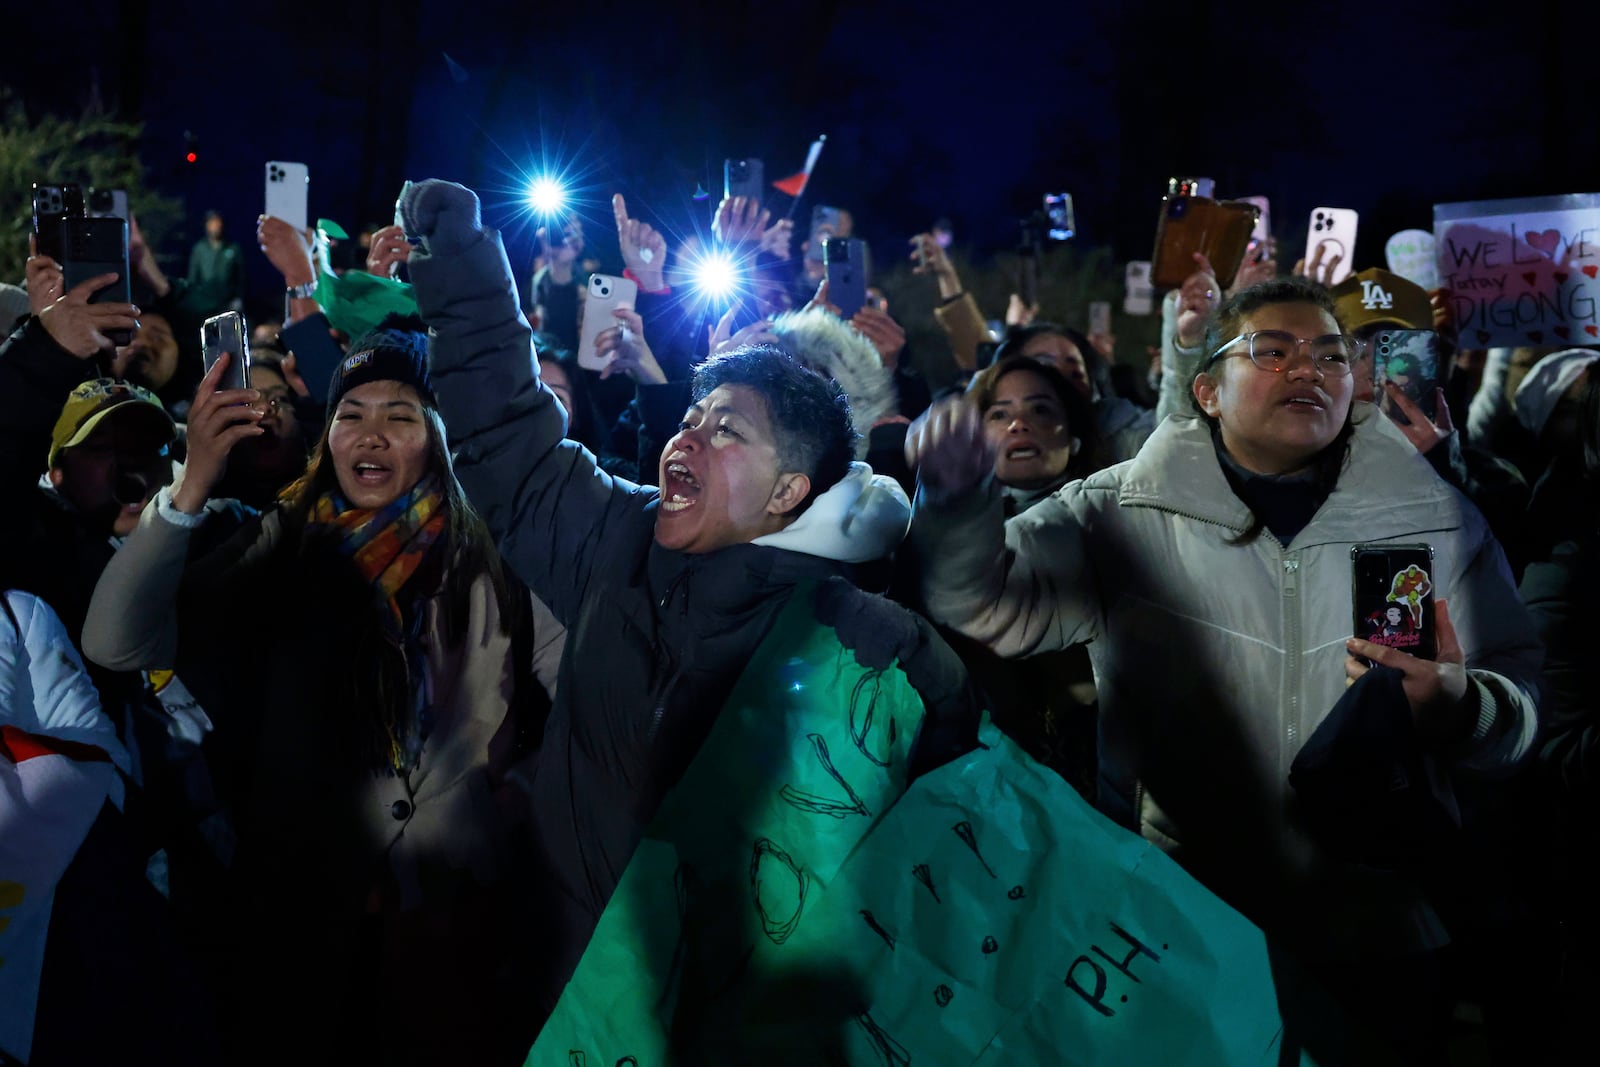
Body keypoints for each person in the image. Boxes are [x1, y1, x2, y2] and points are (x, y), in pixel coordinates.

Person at [906, 275, 1539, 1058]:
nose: (1307, 369)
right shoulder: (1116, 509)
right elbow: (981, 602)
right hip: (1180, 926)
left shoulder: (1435, 516)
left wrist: (1464, 707)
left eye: (1331, 354)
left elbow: (1523, 702)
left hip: (1381, 933)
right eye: (1272, 351)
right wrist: (956, 498)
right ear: (1206, 388)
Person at [396, 178, 980, 1024]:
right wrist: (461, 263)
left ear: (788, 489)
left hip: (736, 1023)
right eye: (693, 416)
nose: (687, 436)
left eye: (726, 429)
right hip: (560, 987)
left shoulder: (870, 645)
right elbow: (510, 438)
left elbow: (951, 836)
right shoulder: (616, 537)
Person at [81, 315, 566, 1065]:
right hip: (300, 931)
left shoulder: (496, 556)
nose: (371, 435)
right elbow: (116, 641)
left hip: (453, 934)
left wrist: (512, 799)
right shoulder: (280, 543)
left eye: (401, 416)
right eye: (351, 415)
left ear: (439, 436)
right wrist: (193, 485)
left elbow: (579, 701)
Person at [184, 210, 245, 316]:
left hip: (227, 304)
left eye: (218, 222)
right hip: (204, 304)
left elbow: (241, 278)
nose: (216, 226)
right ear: (206, 225)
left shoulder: (233, 248)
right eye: (212, 223)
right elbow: (193, 278)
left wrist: (238, 298)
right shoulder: (199, 249)